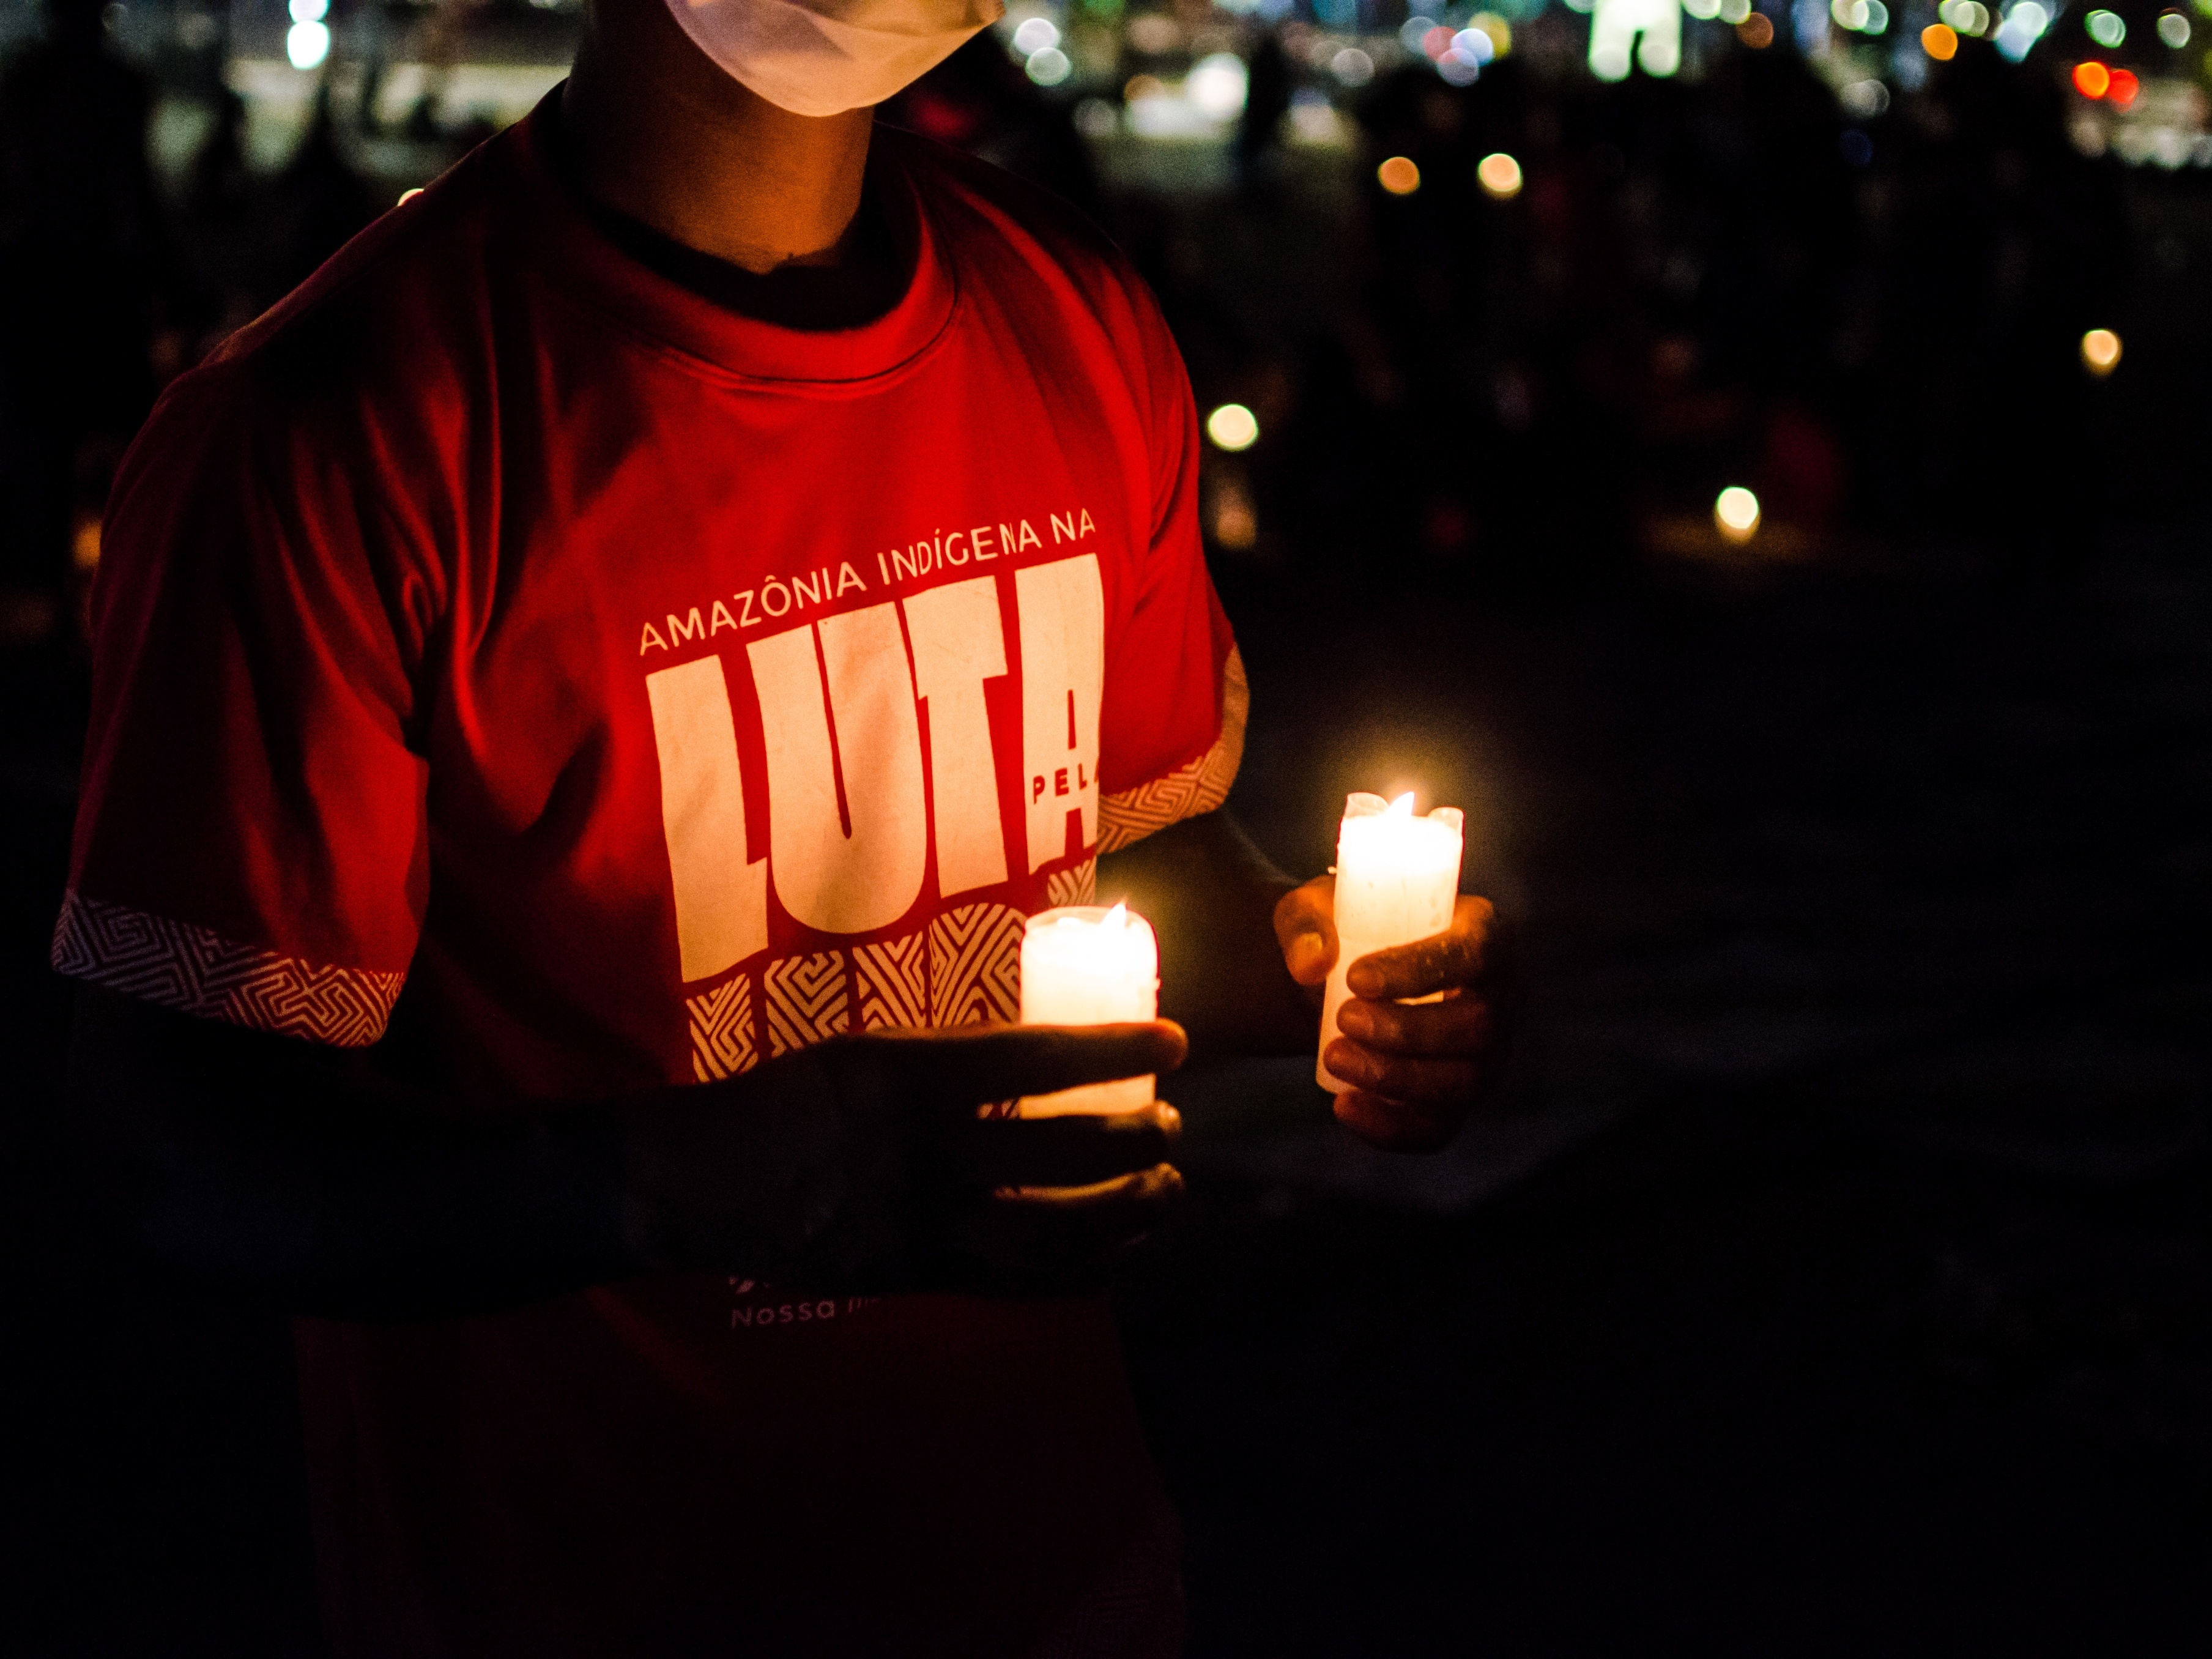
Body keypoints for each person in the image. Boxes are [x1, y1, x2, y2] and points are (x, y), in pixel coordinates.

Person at [57, 0, 1506, 1649]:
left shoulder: (1077, 325)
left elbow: (1106, 851)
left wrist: (1321, 960)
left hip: (1058, 1567)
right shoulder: (334, 434)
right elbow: (175, 1146)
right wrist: (669, 1183)